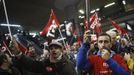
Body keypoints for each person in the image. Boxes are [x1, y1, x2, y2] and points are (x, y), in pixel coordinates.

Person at [13, 41, 77, 75]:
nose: (53, 50)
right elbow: (31, 64)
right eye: (51, 49)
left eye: (56, 48)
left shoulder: (69, 64)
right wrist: (18, 53)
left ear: (61, 50)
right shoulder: (45, 63)